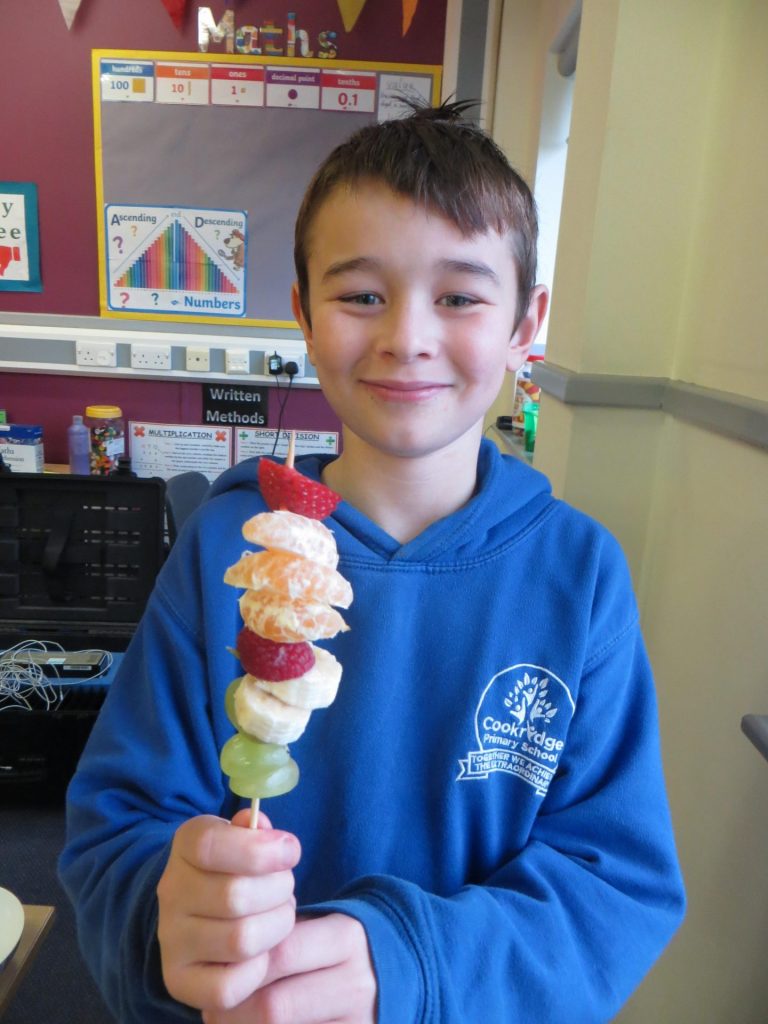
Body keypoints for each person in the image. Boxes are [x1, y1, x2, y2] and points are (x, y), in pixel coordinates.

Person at [60, 101, 685, 1024]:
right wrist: (165, 912)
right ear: (304, 315)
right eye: (361, 295)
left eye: (460, 297)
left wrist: (413, 965)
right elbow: (113, 830)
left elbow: (615, 883)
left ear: (526, 323)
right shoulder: (227, 550)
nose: (407, 337)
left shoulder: (581, 575)